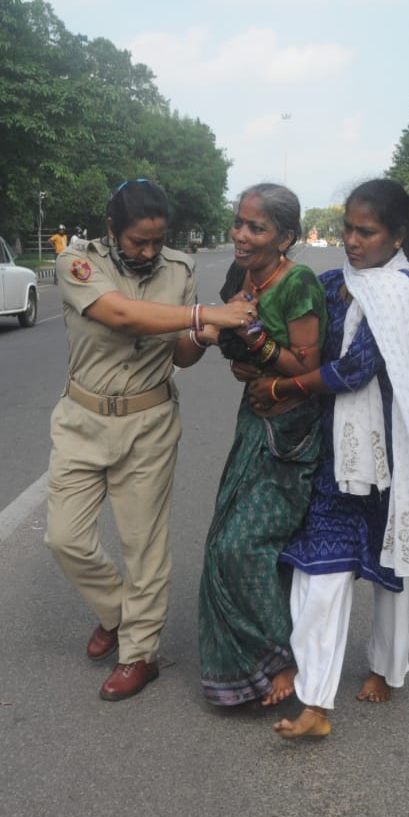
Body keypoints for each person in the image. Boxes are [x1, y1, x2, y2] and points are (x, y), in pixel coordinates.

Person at [245, 179, 409, 739]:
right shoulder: (336, 283)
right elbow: (299, 327)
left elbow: (355, 368)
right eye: (348, 230)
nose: (353, 241)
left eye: (366, 232)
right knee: (320, 566)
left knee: (391, 569)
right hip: (335, 450)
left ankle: (386, 666)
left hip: (391, 451)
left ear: (397, 236)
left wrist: (282, 388)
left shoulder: (400, 290)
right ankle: (314, 702)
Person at [44, 179, 251, 701]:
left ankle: (140, 654)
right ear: (112, 229)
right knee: (64, 538)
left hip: (149, 421)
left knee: (144, 547)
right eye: (138, 241)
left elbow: (180, 353)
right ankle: (117, 613)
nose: (149, 251)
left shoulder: (179, 270)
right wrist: (205, 315)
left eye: (158, 241)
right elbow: (120, 315)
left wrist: (201, 337)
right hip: (82, 419)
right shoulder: (78, 262)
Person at [197, 184, 326, 707]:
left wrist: (256, 342)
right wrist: (242, 359)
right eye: (239, 223)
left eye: (257, 227)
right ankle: (246, 672)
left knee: (243, 546)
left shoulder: (298, 284)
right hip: (253, 419)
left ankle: (284, 660)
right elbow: (232, 350)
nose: (242, 235)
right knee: (222, 546)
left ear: (285, 237)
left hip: (290, 433)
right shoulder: (240, 274)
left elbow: (307, 369)